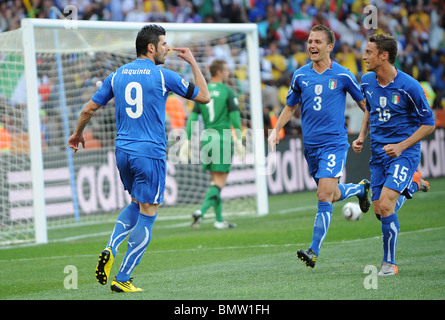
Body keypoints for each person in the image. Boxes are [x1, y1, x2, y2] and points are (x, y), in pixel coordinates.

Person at [67, 24, 210, 292]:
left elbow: (88, 109)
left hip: (122, 152)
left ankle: (111, 247)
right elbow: (204, 96)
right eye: (164, 43)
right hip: (150, 152)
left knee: (135, 201)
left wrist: (77, 134)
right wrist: (192, 61)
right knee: (149, 212)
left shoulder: (116, 75)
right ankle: (123, 278)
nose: (168, 48)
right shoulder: (163, 75)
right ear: (151, 47)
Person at [267, 25, 370, 268]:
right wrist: (275, 131)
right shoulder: (300, 75)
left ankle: (313, 251)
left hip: (334, 144)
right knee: (332, 195)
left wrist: (366, 133)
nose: (312, 45)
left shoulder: (343, 75)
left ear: (330, 47)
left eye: (317, 42)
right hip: (310, 147)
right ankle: (360, 189)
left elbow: (365, 105)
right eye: (310, 41)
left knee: (323, 194)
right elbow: (290, 107)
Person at [352, 33, 435, 276]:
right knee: (379, 211)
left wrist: (401, 146)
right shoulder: (367, 81)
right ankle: (412, 185)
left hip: (403, 154)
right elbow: (370, 109)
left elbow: (428, 123)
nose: (364, 56)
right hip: (378, 154)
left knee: (387, 205)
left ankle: (389, 263)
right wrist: (361, 136)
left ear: (383, 56)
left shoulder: (410, 86)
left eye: (369, 52)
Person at [180, 59, 244, 229]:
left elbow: (193, 118)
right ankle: (201, 211)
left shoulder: (203, 91)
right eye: (226, 70)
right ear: (219, 72)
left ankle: (219, 219)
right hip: (222, 138)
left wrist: (187, 139)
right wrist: (238, 139)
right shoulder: (228, 91)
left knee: (214, 181)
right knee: (219, 183)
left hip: (206, 138)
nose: (228, 73)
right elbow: (235, 119)